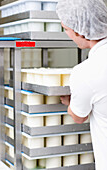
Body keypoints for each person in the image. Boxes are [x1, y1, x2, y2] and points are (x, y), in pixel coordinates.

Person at [56, 0, 107, 170]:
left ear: (80, 31)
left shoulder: (85, 72)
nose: (68, 35)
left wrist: (69, 103)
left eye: (67, 29)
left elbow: (79, 117)